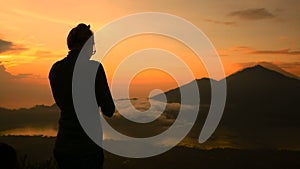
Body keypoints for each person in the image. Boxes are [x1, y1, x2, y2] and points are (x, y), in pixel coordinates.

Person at [49, 23, 115, 169]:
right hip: (88, 148)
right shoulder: (94, 68)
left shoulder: (56, 69)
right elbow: (109, 110)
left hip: (63, 146)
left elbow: (61, 103)